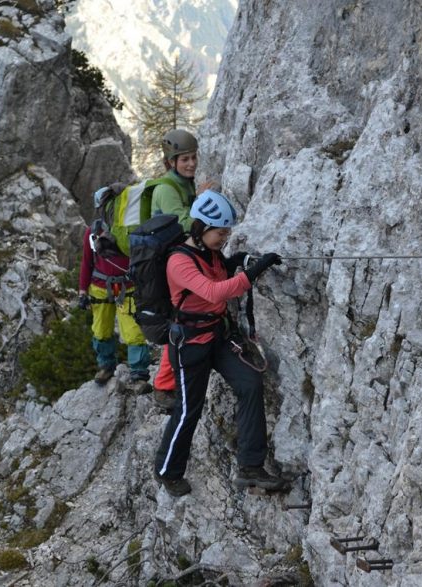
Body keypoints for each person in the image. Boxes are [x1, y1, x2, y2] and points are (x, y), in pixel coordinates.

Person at [153, 190, 284, 497]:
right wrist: (254, 271)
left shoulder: (209, 253)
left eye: (227, 233)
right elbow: (213, 292)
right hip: (190, 346)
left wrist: (238, 261)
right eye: (220, 232)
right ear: (200, 228)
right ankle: (167, 470)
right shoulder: (178, 261)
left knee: (250, 383)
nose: (224, 238)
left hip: (218, 337)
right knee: (189, 410)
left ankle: (250, 467)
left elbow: (220, 273)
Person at [150, 129, 212, 410]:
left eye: (193, 157)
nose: (191, 164)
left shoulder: (184, 183)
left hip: (180, 261)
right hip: (168, 267)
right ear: (171, 162)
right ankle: (164, 387)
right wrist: (202, 200)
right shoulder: (166, 189)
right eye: (184, 159)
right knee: (179, 321)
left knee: (188, 319)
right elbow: (185, 224)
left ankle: (178, 376)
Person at [78, 186, 151, 395]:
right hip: (103, 287)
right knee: (101, 329)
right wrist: (82, 291)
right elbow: (86, 262)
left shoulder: (128, 230)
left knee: (132, 330)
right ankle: (106, 365)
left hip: (123, 285)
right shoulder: (93, 232)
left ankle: (138, 372)